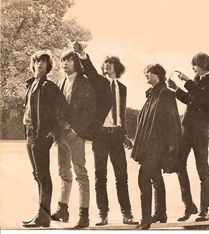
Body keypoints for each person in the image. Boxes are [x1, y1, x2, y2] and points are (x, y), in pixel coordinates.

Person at [73, 42, 137, 226]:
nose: (106, 65)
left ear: (117, 67)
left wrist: (124, 134)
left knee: (122, 176)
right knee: (100, 176)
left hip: (117, 135)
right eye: (104, 63)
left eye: (110, 63)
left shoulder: (122, 88)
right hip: (100, 135)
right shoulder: (99, 83)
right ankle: (103, 214)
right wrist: (82, 54)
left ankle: (127, 213)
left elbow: (121, 113)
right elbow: (91, 71)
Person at [168, 52, 209, 222]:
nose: (193, 68)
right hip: (186, 129)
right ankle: (189, 205)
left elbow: (208, 102)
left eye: (194, 65)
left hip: (200, 131)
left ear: (203, 64)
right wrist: (176, 89)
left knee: (202, 171)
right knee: (178, 164)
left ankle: (204, 210)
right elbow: (191, 100)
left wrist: (187, 82)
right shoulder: (197, 81)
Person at [131, 63, 182, 230]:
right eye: (145, 72)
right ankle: (160, 212)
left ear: (158, 74)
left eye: (149, 72)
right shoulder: (152, 94)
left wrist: (171, 146)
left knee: (143, 177)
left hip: (157, 146)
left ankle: (146, 220)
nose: (146, 75)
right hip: (148, 145)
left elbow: (172, 120)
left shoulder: (165, 93)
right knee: (155, 178)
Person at [51, 50, 96, 229]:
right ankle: (62, 209)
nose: (64, 64)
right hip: (61, 133)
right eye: (62, 61)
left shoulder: (84, 82)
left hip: (75, 134)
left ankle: (84, 216)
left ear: (76, 63)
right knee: (64, 172)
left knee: (80, 173)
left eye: (69, 60)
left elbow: (90, 110)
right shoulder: (61, 81)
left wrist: (77, 130)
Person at [22, 50, 68, 228]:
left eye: (43, 62)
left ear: (48, 66)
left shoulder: (49, 85)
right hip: (30, 133)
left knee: (43, 175)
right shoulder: (32, 84)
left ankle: (44, 216)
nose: (40, 64)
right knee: (37, 175)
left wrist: (53, 130)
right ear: (33, 64)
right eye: (37, 61)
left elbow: (62, 108)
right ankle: (41, 214)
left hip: (41, 134)